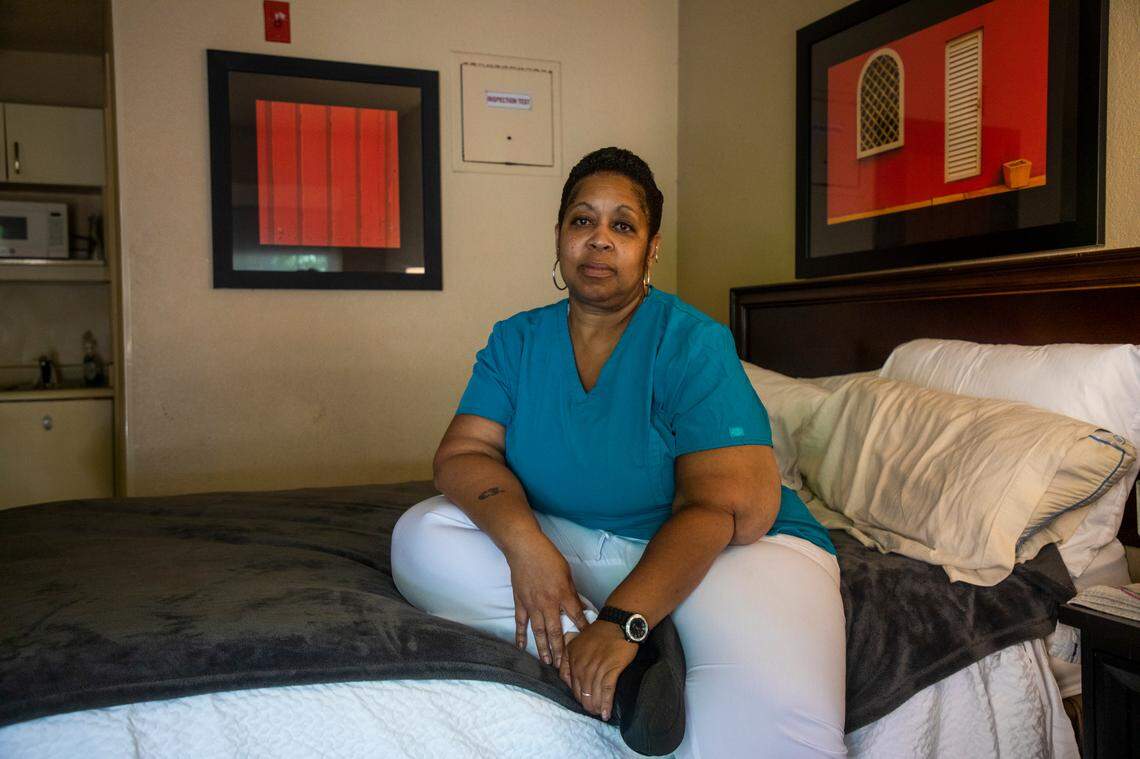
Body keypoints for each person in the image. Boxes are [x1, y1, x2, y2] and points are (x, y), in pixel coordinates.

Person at [392, 147, 846, 757]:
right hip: (577, 539)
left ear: (650, 248)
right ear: (559, 237)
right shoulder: (517, 339)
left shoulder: (692, 342)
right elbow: (463, 454)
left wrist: (624, 618)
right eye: (582, 221)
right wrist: (526, 548)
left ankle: (625, 632)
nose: (599, 240)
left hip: (725, 555)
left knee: (773, 739)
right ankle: (632, 666)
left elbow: (729, 507)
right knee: (423, 537)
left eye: (622, 225)